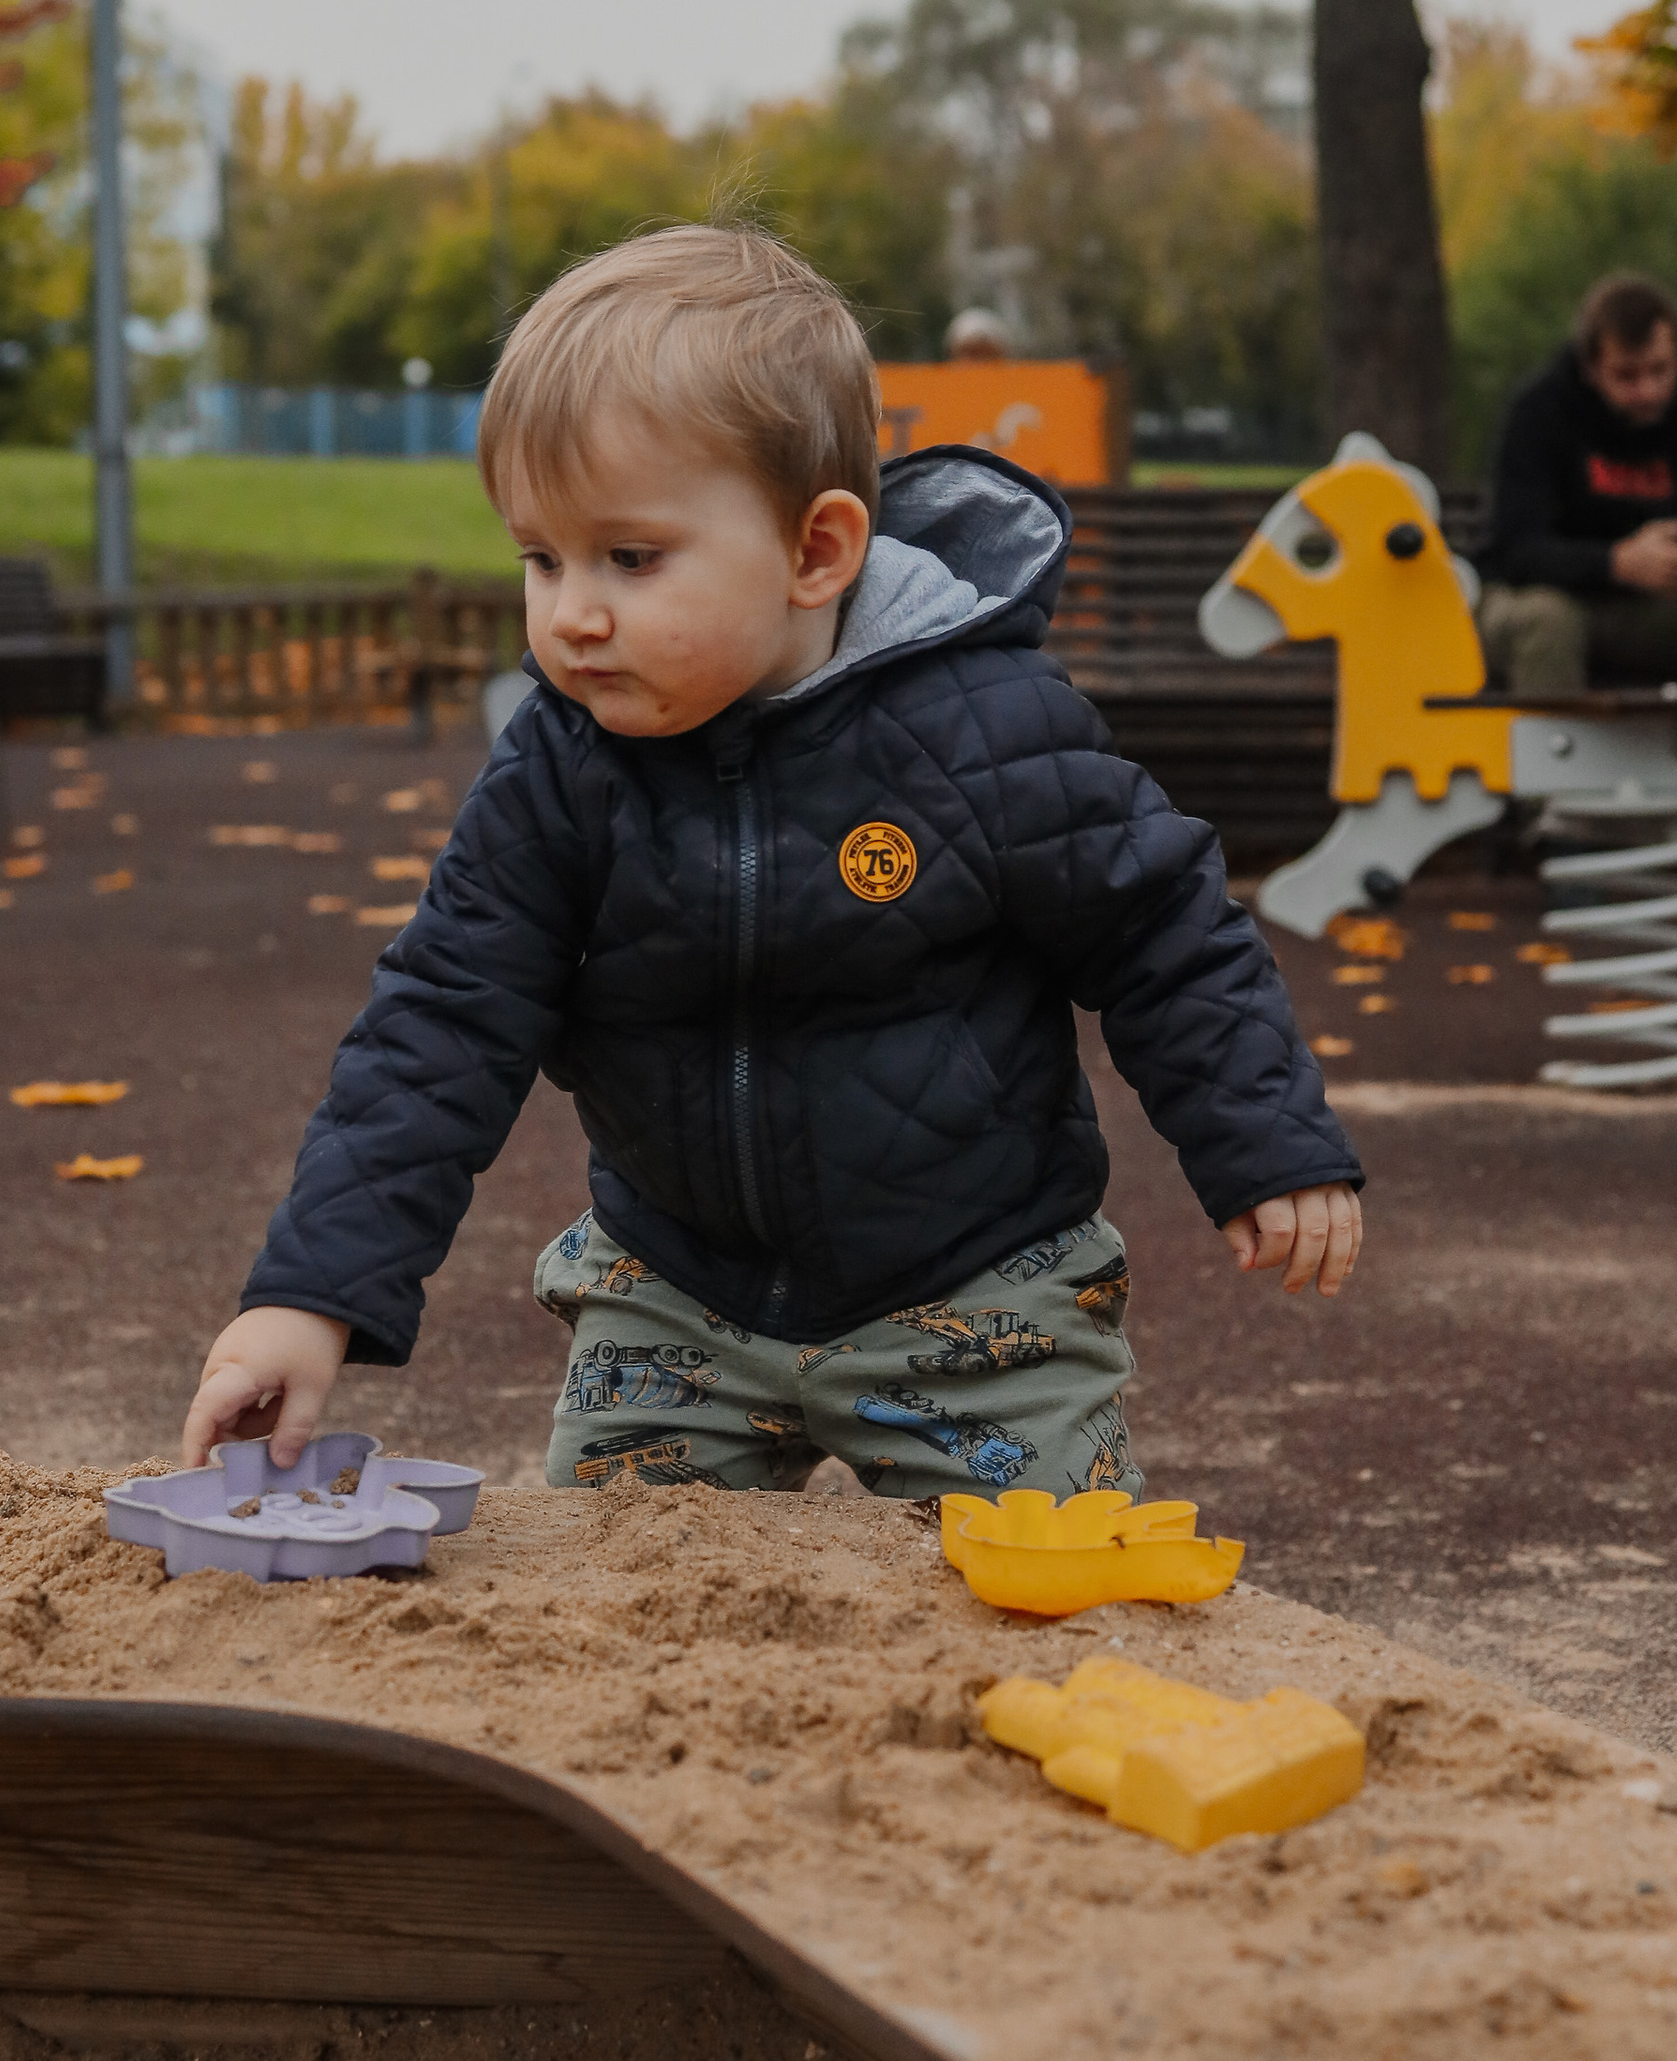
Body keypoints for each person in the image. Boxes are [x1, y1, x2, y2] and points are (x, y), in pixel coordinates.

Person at [183, 223, 1361, 1502]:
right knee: (614, 1608)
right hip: (676, 1294)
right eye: (541, 557)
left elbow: (1161, 928)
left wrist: (1267, 1143)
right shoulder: (563, 766)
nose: (573, 610)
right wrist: (311, 1296)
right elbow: (442, 1014)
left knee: (1054, 1593)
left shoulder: (981, 728)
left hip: (972, 1292)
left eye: (630, 558)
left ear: (815, 552)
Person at [1477, 273, 1677, 696]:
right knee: (1548, 624)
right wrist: (1617, 562)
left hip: (1653, 609)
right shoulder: (1539, 412)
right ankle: (1552, 761)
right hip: (1541, 598)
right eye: (1626, 376)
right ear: (1590, 368)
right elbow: (1516, 548)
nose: (1648, 391)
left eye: (1661, 371)